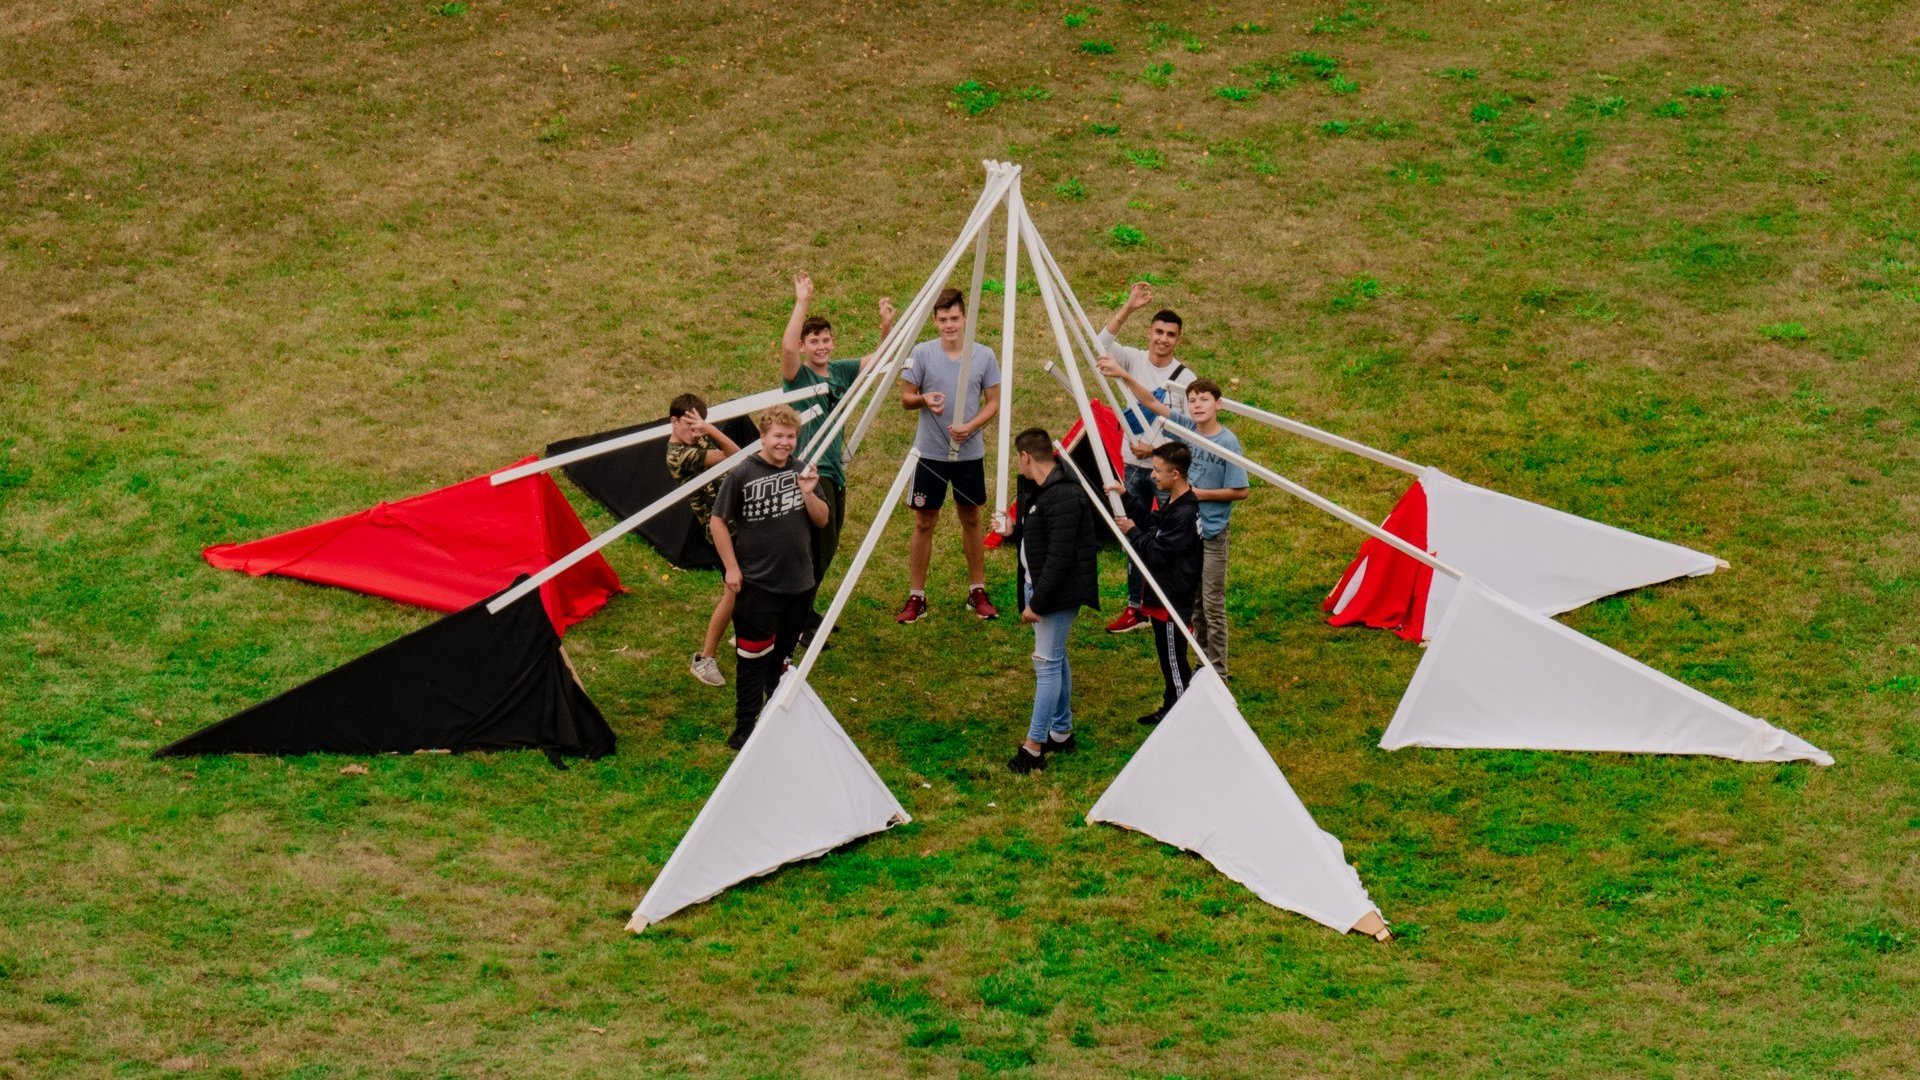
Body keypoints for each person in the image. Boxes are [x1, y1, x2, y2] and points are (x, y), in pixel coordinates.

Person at [708, 405, 832, 750]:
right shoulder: (743, 474)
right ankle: (745, 726)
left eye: (790, 436)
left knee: (781, 659)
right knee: (751, 660)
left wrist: (808, 491)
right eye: (778, 436)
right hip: (758, 586)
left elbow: (822, 520)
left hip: (799, 584)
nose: (785, 443)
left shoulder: (801, 470)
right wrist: (732, 567)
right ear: (763, 437)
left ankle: (776, 719)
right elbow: (718, 521)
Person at [780, 271, 896, 636]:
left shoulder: (841, 372)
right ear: (804, 346)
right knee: (818, 547)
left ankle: (803, 611)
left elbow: (879, 360)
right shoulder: (797, 377)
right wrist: (802, 302)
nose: (821, 346)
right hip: (811, 472)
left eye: (826, 340)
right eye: (813, 341)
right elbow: (785, 349)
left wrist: (886, 326)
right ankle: (797, 621)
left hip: (835, 471)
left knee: (826, 548)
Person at [1094, 280, 1196, 635]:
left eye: (1170, 334)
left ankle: (1172, 607)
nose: (1163, 339)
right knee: (1134, 534)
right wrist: (1129, 306)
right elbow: (1099, 344)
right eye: (1158, 331)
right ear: (1149, 332)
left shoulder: (1185, 378)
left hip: (1168, 472)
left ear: (1177, 340)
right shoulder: (1133, 358)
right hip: (1133, 467)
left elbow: (1185, 429)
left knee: (1172, 540)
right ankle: (1135, 607)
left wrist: (1154, 451)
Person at [897, 287, 1002, 623]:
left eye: (954, 318)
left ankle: (977, 589)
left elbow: (994, 403)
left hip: (969, 454)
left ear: (965, 318)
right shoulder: (923, 353)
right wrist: (925, 399)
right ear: (935, 320)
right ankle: (917, 596)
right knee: (923, 521)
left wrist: (971, 426)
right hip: (929, 452)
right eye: (943, 320)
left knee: (971, 517)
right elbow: (906, 398)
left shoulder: (983, 355)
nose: (949, 325)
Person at [1005, 429, 1101, 774]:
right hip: (1046, 591)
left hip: (1056, 595)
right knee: (1056, 660)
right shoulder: (1044, 491)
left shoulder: (1062, 495)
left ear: (1026, 456)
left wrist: (1037, 603)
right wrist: (1012, 530)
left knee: (1045, 665)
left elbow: (1060, 559)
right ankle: (1061, 732)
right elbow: (1040, 539)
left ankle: (1033, 747)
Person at [1162, 379, 1248, 677]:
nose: (1197, 405)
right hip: (1190, 535)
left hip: (1212, 533)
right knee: (1196, 604)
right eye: (1193, 400)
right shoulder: (1187, 435)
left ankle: (1219, 673)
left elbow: (1240, 490)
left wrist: (1200, 495)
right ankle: (1203, 666)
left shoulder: (1228, 442)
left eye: (1204, 400)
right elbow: (1151, 405)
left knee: (1213, 605)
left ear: (1218, 404)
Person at [1112, 443, 1202, 726]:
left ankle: (1179, 711)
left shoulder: (1184, 514)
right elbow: (1153, 523)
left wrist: (1132, 532)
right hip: (1165, 593)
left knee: (1174, 659)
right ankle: (1172, 703)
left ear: (1175, 474)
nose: (1152, 475)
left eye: (1157, 470)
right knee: (1168, 657)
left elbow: (1156, 552)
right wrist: (1126, 497)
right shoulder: (1175, 503)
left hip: (1173, 598)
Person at [664, 392, 744, 687]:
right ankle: (705, 658)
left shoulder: (695, 440)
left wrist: (704, 431)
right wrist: (709, 431)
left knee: (745, 584)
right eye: (691, 425)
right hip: (720, 530)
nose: (697, 431)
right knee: (733, 589)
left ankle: (744, 634)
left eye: (701, 425)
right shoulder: (680, 455)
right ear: (674, 422)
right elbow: (738, 457)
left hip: (735, 522)